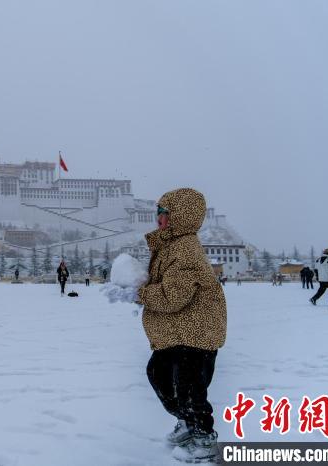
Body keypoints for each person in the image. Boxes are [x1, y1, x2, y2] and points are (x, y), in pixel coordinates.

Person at [136, 188, 226, 463]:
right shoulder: (171, 246)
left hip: (197, 332)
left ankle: (204, 437)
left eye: (165, 213)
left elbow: (172, 296)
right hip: (179, 329)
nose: (159, 218)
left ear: (180, 217)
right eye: (158, 212)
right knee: (158, 373)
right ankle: (187, 422)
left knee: (189, 387)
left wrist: (139, 292)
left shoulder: (185, 249)